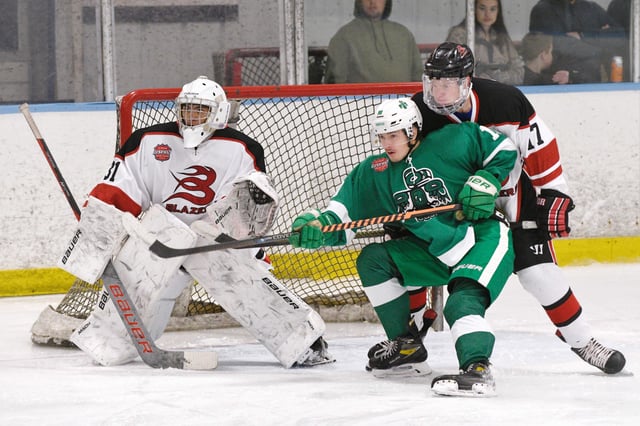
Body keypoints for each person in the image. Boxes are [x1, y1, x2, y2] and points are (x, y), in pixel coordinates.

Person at [57, 76, 333, 369]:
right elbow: (117, 190)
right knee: (135, 270)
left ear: (218, 113)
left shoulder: (243, 149)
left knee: (241, 278)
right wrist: (95, 240)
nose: (191, 117)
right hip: (162, 239)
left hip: (212, 239)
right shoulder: (147, 141)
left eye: (199, 110)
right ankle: (106, 340)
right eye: (186, 109)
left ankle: (300, 340)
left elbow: (250, 208)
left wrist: (243, 231)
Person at [411, 42, 626, 375]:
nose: (438, 92)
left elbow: (541, 145)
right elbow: (404, 160)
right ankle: (410, 334)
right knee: (413, 259)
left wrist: (553, 192)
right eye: (434, 82)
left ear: (468, 80)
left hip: (513, 199)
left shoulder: (505, 101)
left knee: (539, 274)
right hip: (457, 209)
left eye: (447, 83)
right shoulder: (421, 112)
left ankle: (583, 341)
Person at [289, 97, 518, 397]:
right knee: (373, 259)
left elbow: (504, 149)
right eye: (382, 136)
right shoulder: (374, 172)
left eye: (393, 135)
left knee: (461, 303)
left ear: (412, 131)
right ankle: (406, 345)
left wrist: (487, 179)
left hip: (481, 238)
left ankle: (477, 370)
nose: (386, 143)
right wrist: (317, 228)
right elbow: (339, 220)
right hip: (434, 251)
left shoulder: (452, 141)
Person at [324, 0, 422, 83]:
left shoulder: (403, 34)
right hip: (359, 104)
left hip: (403, 102)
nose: (372, 2)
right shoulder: (344, 36)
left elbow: (418, 74)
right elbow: (336, 82)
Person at [529, 0, 627, 82]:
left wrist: (583, 36)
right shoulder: (543, 10)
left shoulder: (591, 8)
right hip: (557, 82)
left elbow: (620, 37)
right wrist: (599, 41)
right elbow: (558, 44)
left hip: (591, 82)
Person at [446, 0, 524, 85]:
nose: (487, 14)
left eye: (493, 9)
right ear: (474, 9)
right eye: (482, 8)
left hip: (501, 91)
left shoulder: (502, 38)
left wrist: (498, 77)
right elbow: (451, 70)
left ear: (498, 11)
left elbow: (519, 73)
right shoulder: (460, 35)